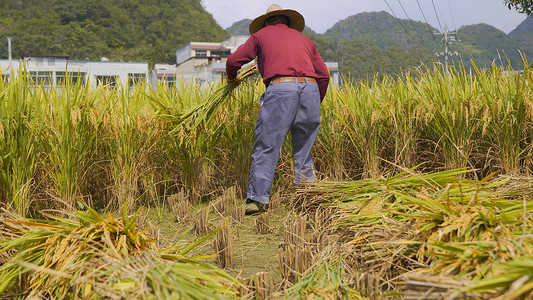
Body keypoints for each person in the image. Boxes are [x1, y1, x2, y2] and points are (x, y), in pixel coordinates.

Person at [226, 4, 330, 214]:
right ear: (288, 22)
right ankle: (307, 198)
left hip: (281, 89)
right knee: (304, 150)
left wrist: (232, 78)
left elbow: (233, 60)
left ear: (266, 23)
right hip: (310, 90)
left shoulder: (261, 35)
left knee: (267, 146)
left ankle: (257, 200)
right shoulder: (307, 41)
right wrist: (312, 103)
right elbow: (324, 76)